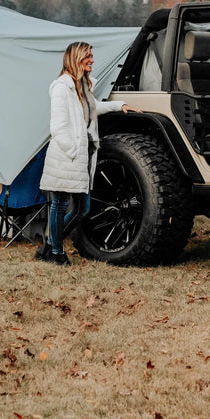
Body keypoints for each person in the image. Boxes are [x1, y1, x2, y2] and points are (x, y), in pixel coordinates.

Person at [38, 41, 138, 265]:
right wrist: (73, 150)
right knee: (60, 204)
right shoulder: (61, 88)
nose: (92, 60)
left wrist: (118, 105)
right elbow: (58, 126)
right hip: (67, 155)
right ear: (76, 59)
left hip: (83, 154)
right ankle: (56, 253)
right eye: (88, 56)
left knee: (83, 209)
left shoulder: (83, 86)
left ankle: (49, 245)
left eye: (91, 56)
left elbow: (92, 109)